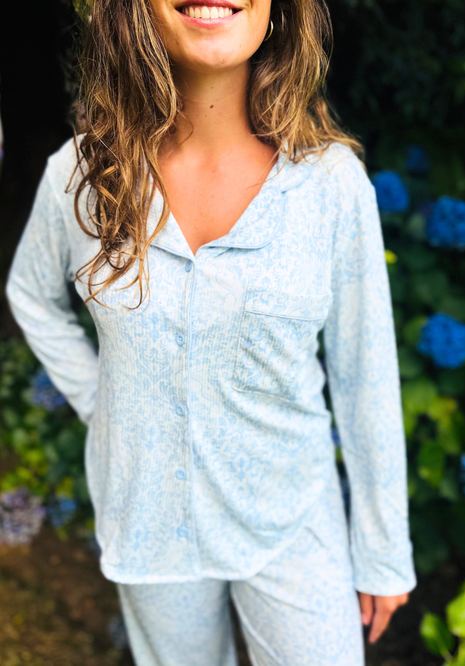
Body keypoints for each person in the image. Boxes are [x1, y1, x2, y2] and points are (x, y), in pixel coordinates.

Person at [5, 0, 417, 663]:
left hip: (292, 518)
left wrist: (383, 551)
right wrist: (101, 401)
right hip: (148, 518)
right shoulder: (83, 175)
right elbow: (30, 294)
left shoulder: (330, 185)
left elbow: (365, 373)